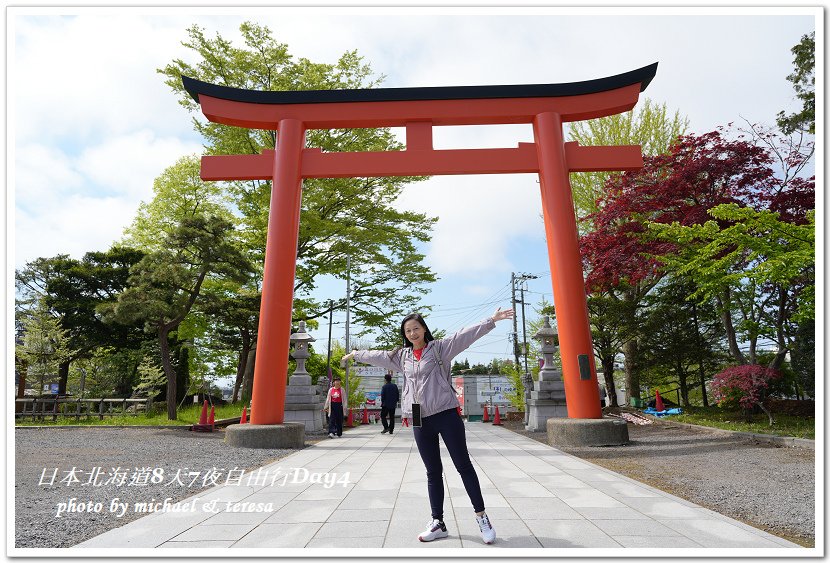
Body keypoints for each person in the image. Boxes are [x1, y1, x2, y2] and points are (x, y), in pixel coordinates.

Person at [342, 307, 514, 545]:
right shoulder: (402, 356)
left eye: (416, 328)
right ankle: (438, 523)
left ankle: (482, 517)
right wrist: (355, 353)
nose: (412, 333)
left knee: (463, 466)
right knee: (432, 472)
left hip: (446, 414)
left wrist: (491, 320)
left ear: (424, 329)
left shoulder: (441, 348)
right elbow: (378, 356)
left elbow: (465, 335)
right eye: (408, 330)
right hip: (420, 419)